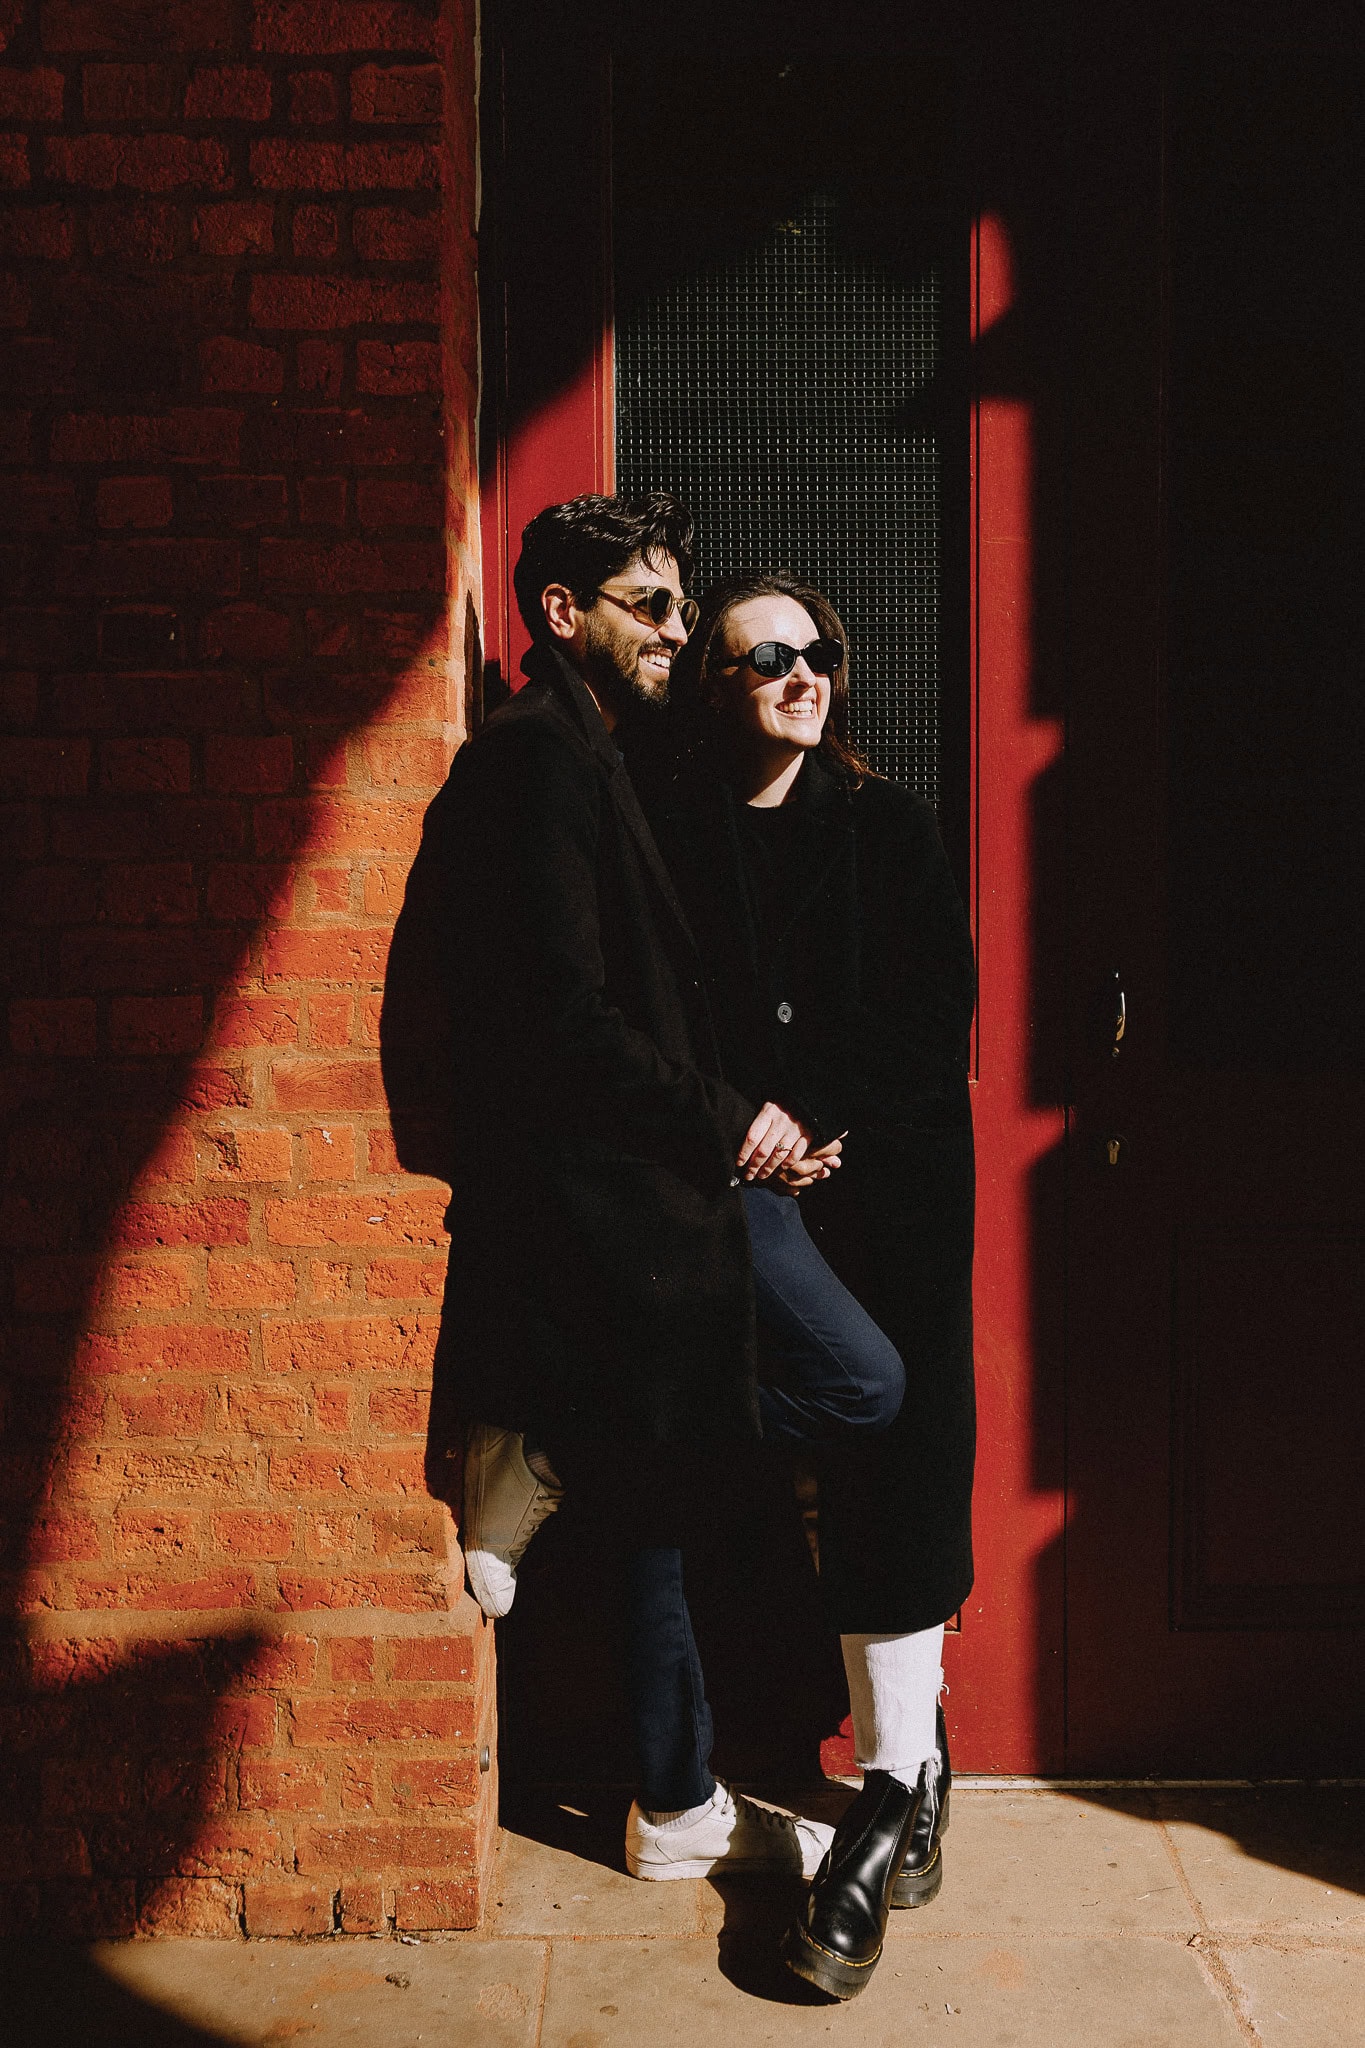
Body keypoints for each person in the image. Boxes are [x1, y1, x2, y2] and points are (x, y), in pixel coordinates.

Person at [431, 493, 901, 1886]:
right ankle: (572, 1450)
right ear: (561, 613)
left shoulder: (606, 752)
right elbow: (559, 1021)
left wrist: (775, 1124)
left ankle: (676, 1798)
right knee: (847, 1386)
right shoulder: (536, 763)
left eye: (679, 608)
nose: (674, 632)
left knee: (658, 1468)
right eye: (650, 607)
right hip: (641, 1190)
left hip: (675, 1178)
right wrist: (733, 1125)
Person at [648, 568, 978, 1998]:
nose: (799, 671)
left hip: (887, 1187)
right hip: (733, 1194)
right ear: (715, 686)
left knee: (900, 1454)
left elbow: (928, 1011)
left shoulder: (890, 829)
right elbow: (652, 1007)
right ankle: (769, 1761)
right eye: (763, 654)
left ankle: (900, 1776)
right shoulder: (670, 835)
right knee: (734, 1462)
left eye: (817, 650)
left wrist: (809, 1112)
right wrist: (738, 1120)